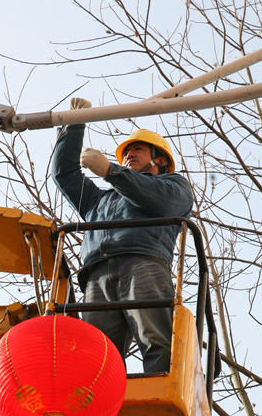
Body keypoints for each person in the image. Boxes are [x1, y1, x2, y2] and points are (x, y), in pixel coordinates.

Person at [50, 97, 194, 374]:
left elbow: (160, 200)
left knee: (155, 338)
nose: (128, 156)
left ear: (159, 159)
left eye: (137, 150)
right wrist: (73, 126)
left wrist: (110, 171)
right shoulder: (99, 201)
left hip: (143, 264)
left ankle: (160, 391)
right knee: (94, 354)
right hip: (97, 274)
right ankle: (95, 406)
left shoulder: (174, 185)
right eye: (124, 154)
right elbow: (63, 175)